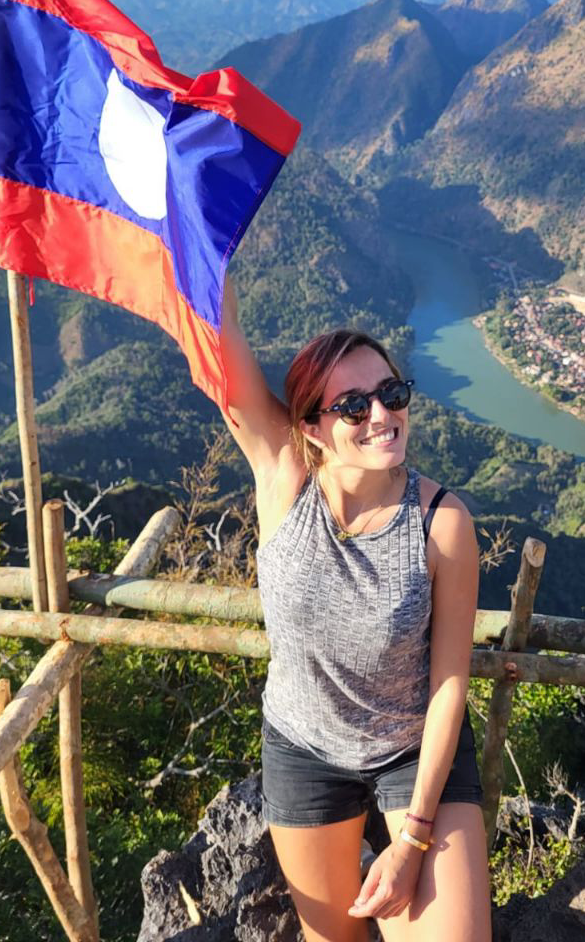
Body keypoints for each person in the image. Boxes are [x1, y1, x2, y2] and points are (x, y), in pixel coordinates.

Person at [220, 280, 492, 942]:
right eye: (352, 405)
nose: (381, 414)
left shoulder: (441, 524)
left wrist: (414, 843)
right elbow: (219, 353)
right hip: (306, 746)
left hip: (411, 748)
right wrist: (203, 242)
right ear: (311, 426)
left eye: (391, 394)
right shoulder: (285, 477)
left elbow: (449, 685)